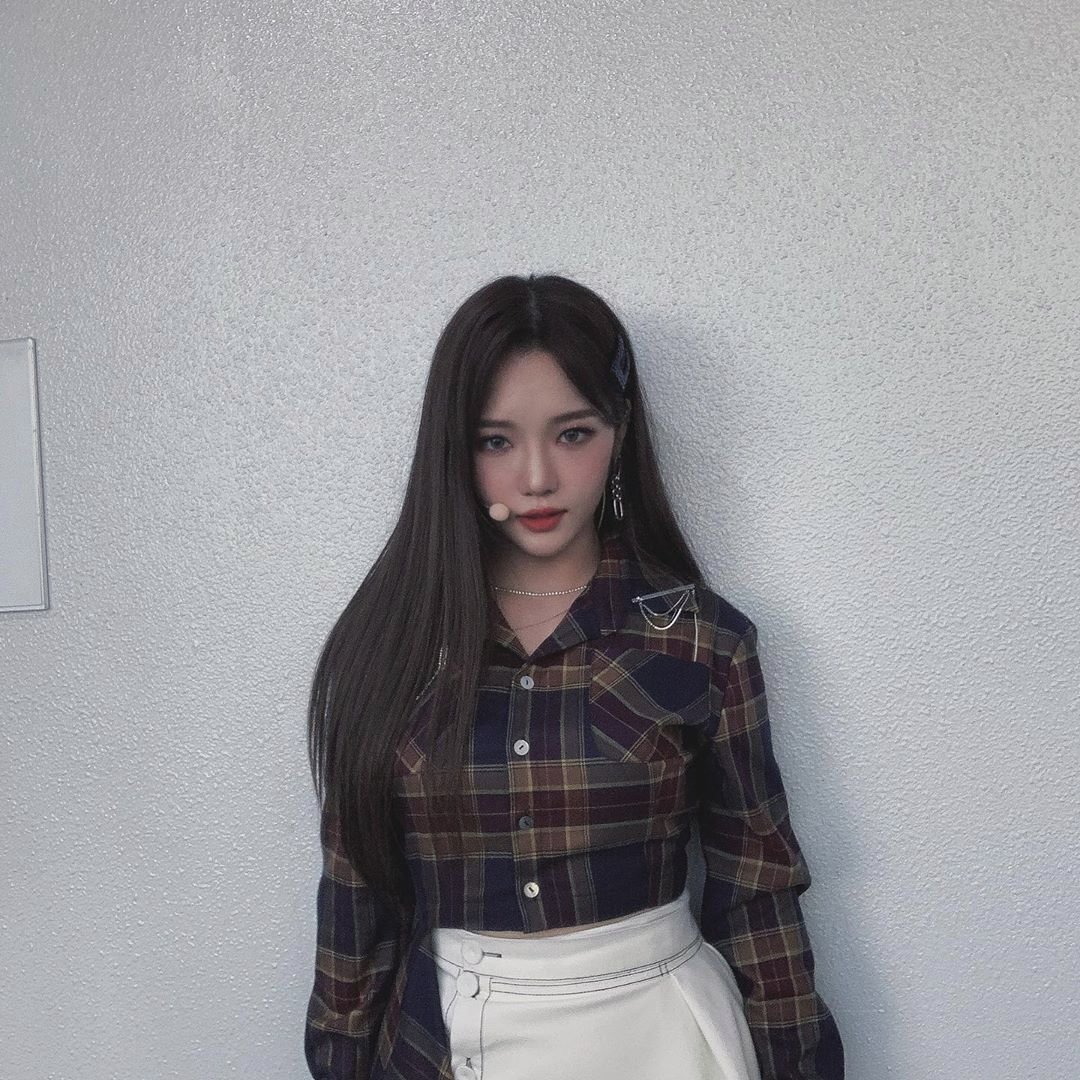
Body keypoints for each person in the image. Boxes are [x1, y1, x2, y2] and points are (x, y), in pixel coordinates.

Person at [303, 273, 845, 1080]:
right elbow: (357, 905)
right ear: (454, 449)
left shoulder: (701, 641)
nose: (537, 479)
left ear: (618, 431)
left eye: (572, 434)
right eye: (496, 441)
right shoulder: (390, 648)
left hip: (664, 1041)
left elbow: (757, 896)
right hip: (441, 1045)